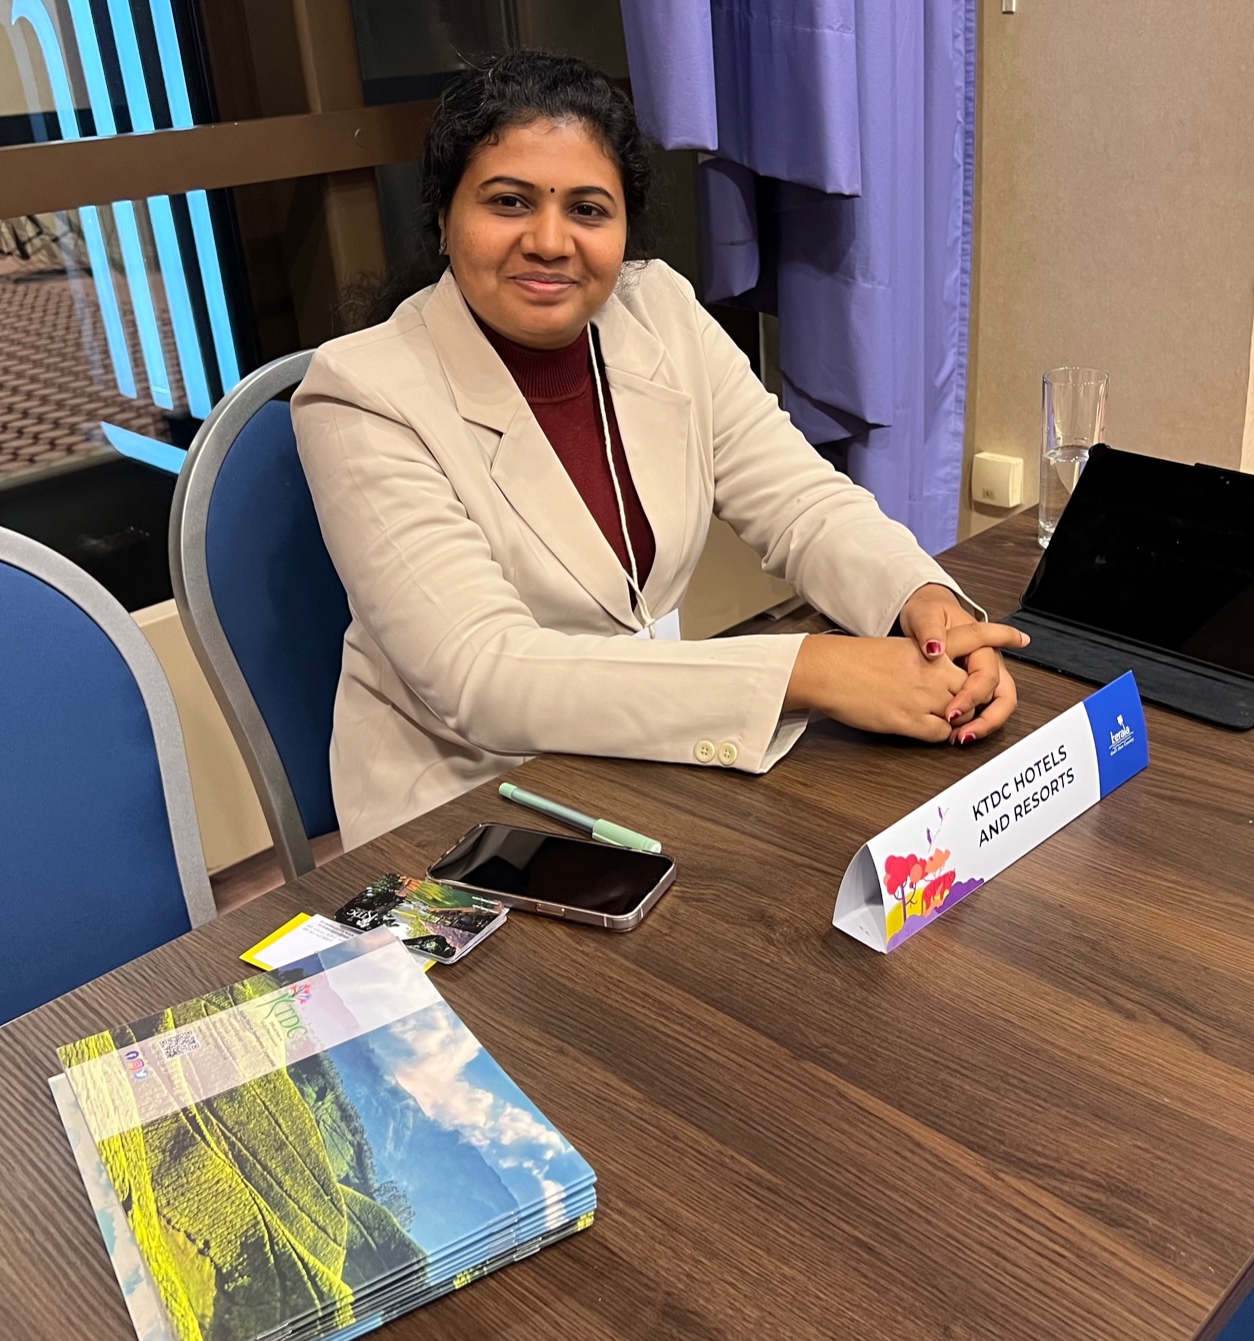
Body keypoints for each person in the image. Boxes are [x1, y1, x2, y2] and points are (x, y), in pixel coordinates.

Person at [292, 50, 1028, 850]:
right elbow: (484, 674)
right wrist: (809, 671)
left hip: (647, 760)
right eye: (508, 202)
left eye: (588, 209)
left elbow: (802, 503)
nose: (550, 240)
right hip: (463, 809)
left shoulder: (661, 310)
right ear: (443, 216)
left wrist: (925, 607)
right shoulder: (362, 392)